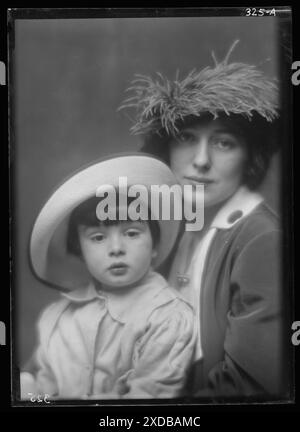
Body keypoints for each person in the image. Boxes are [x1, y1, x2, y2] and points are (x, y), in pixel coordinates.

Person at [119, 41, 286, 399]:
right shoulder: (173, 227)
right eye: (186, 138)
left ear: (250, 157)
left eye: (224, 143)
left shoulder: (261, 240)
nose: (201, 161)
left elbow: (249, 387)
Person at [20, 154, 196, 400]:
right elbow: (42, 394)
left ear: (154, 244)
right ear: (79, 249)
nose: (116, 248)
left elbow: (148, 399)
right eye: (98, 238)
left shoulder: (167, 317)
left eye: (132, 233)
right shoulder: (58, 318)